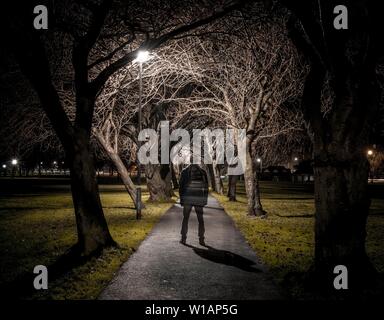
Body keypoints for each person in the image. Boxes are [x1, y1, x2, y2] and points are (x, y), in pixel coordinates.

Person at [179, 164, 208, 245]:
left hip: (188, 198)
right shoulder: (202, 172)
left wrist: (182, 199)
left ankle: (183, 238)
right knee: (200, 219)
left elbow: (181, 186)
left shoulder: (185, 171)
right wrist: (204, 199)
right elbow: (206, 187)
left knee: (186, 218)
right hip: (197, 198)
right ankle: (201, 239)